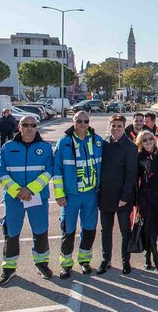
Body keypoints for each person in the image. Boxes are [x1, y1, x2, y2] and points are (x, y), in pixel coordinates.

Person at [0, 115, 53, 286]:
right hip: (14, 198)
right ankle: (9, 268)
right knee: (11, 232)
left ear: (37, 127)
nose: (29, 128)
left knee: (40, 231)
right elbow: (1, 172)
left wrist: (31, 189)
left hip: (37, 197)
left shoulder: (45, 148)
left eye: (33, 125)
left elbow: (49, 170)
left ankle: (42, 264)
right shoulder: (8, 147)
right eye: (25, 125)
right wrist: (17, 191)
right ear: (19, 127)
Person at [53, 111, 103, 279]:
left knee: (89, 230)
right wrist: (59, 195)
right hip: (71, 197)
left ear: (89, 122)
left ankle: (84, 261)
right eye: (79, 121)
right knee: (68, 231)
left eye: (85, 121)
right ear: (73, 121)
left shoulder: (97, 141)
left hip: (91, 195)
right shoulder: (64, 143)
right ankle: (66, 264)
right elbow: (57, 171)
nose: (82, 124)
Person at [97, 115, 138, 275]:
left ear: (124, 127)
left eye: (119, 126)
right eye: (113, 125)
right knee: (105, 230)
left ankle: (125, 261)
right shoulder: (104, 144)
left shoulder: (130, 147)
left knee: (124, 231)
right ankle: (106, 260)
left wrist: (125, 196)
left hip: (122, 197)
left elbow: (131, 174)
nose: (116, 128)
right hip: (105, 195)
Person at [136, 130, 158, 272]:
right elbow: (135, 180)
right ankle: (155, 256)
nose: (148, 142)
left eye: (150, 139)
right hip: (145, 196)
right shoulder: (138, 157)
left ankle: (148, 255)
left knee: (155, 226)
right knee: (148, 227)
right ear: (140, 143)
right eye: (145, 140)